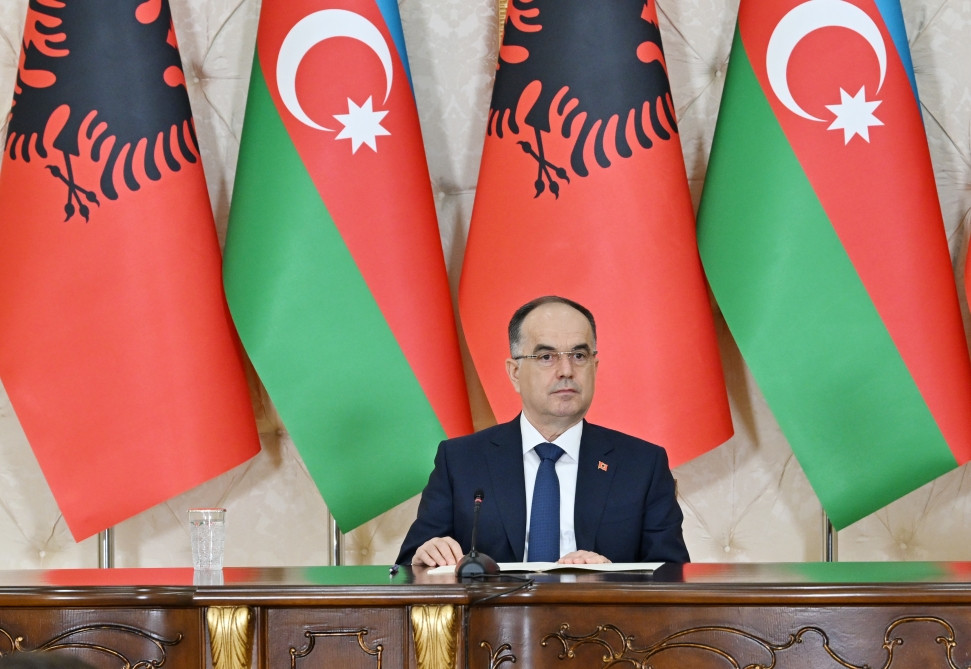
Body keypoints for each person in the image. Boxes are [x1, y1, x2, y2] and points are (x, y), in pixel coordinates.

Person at [396, 295, 690, 567]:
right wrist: (425, 555)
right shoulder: (460, 461)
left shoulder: (642, 465)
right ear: (514, 373)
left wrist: (609, 579)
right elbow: (407, 566)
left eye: (579, 355)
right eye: (546, 357)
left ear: (595, 367)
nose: (566, 370)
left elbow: (672, 576)